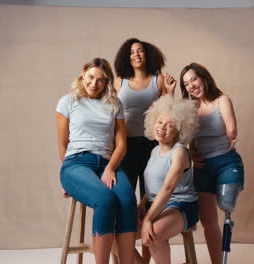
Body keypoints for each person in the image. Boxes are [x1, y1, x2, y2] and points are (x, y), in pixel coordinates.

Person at [56, 58, 137, 264]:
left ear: (106, 83)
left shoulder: (114, 104)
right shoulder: (68, 101)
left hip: (108, 164)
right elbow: (63, 144)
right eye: (91, 77)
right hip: (77, 164)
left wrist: (110, 168)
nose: (94, 83)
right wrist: (72, 182)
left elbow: (121, 145)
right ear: (83, 74)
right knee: (105, 200)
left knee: (128, 201)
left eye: (101, 80)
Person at [180, 63, 245, 264]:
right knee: (208, 221)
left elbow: (232, 130)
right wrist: (192, 150)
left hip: (227, 163)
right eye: (186, 83)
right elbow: (188, 138)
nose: (191, 85)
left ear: (203, 78)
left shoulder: (222, 100)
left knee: (226, 205)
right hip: (202, 168)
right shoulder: (190, 108)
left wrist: (232, 134)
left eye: (194, 79)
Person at [136, 94, 200, 264]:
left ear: (180, 130)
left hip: (180, 205)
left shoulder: (179, 152)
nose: (162, 127)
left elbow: (167, 188)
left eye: (170, 125)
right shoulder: (153, 151)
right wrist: (142, 204)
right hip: (155, 205)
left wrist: (148, 219)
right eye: (159, 122)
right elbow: (153, 186)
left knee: (153, 235)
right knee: (114, 234)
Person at [114, 38, 176, 198]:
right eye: (131, 52)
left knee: (150, 194)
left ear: (147, 54)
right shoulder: (119, 82)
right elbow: (111, 114)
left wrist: (171, 92)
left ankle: (147, 223)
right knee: (125, 195)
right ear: (126, 57)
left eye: (140, 50)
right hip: (125, 144)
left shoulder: (159, 79)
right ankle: (127, 224)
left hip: (153, 143)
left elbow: (168, 113)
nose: (136, 54)